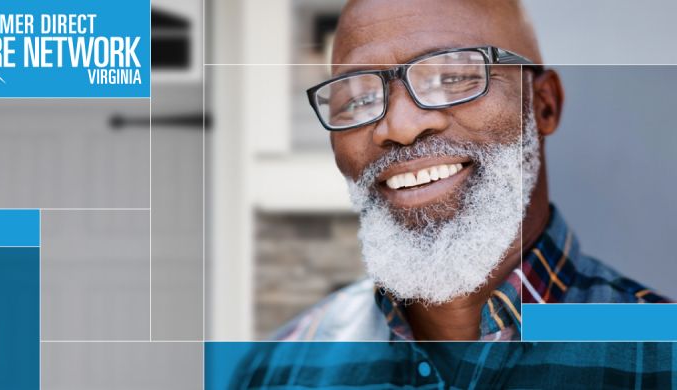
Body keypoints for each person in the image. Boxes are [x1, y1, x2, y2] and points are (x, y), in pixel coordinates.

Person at [273, 0, 668, 344]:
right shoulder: (277, 368)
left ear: (543, 106)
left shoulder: (658, 352)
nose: (400, 127)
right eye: (357, 100)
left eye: (453, 77)